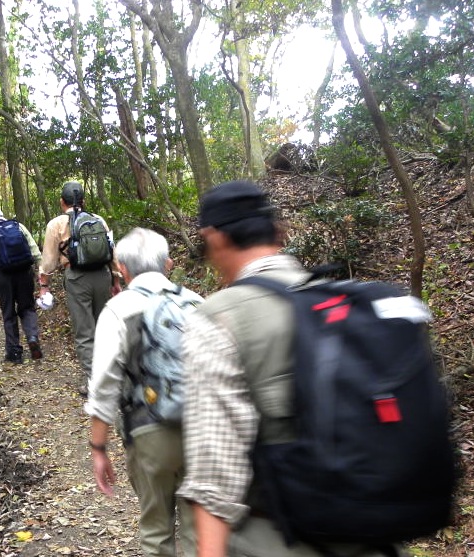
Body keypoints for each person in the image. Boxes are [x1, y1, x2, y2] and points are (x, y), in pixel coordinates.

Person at [178, 180, 399, 557]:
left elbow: (216, 481)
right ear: (279, 233)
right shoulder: (342, 301)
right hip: (374, 536)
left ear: (213, 238)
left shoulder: (219, 319)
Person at [85, 228, 199, 557]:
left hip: (148, 432)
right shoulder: (197, 302)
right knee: (198, 531)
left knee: (156, 529)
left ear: (121, 268)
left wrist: (99, 447)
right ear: (169, 264)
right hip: (200, 429)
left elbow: (104, 384)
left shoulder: (119, 309)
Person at [38, 181, 121, 393]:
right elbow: (111, 252)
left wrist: (44, 285)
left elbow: (49, 260)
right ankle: (110, 374)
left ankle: (93, 380)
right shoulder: (98, 219)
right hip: (103, 276)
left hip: (77, 278)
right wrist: (116, 280)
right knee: (104, 326)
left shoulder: (56, 224)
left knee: (84, 332)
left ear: (61, 202)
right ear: (83, 201)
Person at [0, 207, 43, 364]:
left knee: (8, 312)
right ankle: (33, 338)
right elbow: (34, 250)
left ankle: (14, 352)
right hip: (25, 272)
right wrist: (40, 269)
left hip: (4, 275)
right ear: (2, 216)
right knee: (27, 308)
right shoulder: (18, 226)